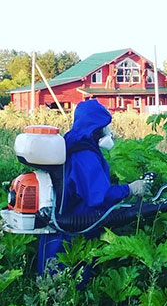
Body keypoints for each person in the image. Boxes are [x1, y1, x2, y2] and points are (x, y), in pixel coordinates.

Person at [37, 99, 150, 276]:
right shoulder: (85, 155)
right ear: (95, 128)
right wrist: (131, 188)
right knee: (70, 282)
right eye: (105, 126)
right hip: (74, 229)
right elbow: (100, 196)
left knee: (49, 282)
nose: (109, 131)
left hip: (57, 228)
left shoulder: (73, 144)